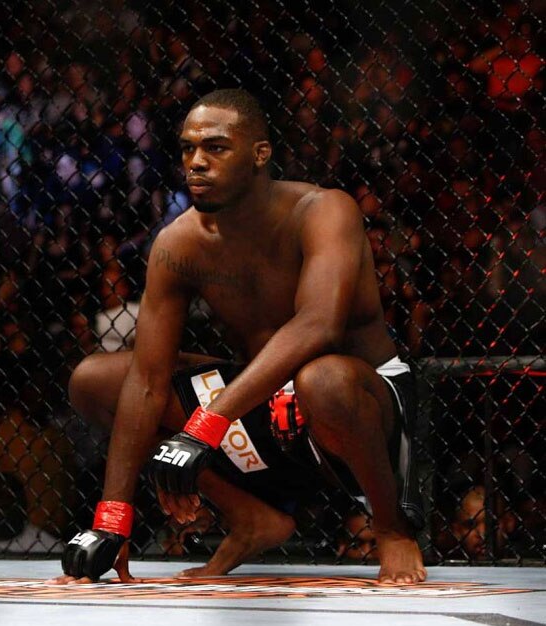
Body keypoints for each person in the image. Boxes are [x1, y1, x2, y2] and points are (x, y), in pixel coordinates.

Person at [51, 89, 426, 586]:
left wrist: (205, 426)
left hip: (354, 406)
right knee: (95, 380)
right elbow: (146, 380)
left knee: (323, 378)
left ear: (259, 154)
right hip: (262, 408)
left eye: (216, 147)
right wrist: (112, 519)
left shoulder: (323, 211)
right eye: (187, 148)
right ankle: (250, 517)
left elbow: (319, 325)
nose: (196, 162)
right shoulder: (178, 244)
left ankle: (392, 529)